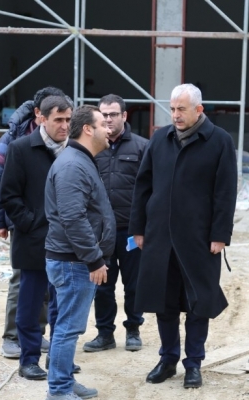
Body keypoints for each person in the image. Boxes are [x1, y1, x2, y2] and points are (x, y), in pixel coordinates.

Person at [129, 83, 237, 389]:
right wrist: (139, 229)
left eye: (181, 109)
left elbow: (226, 192)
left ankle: (193, 364)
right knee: (163, 302)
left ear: (198, 110)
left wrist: (220, 235)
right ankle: (167, 359)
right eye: (172, 109)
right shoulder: (160, 139)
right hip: (160, 237)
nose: (175, 115)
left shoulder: (219, 141)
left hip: (199, 240)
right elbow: (143, 186)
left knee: (197, 303)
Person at [0, 86, 66, 359]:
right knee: (24, 284)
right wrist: (9, 220)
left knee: (52, 289)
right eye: (57, 118)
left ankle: (40, 337)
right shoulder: (16, 139)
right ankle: (14, 338)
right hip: (28, 228)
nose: (64, 125)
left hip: (58, 232)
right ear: (39, 114)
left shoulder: (68, 145)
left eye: (67, 119)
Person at [45, 105, 116, 400]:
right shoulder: (73, 165)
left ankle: (64, 380)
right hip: (74, 262)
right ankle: (59, 389)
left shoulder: (81, 160)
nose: (109, 128)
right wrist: (94, 259)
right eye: (103, 124)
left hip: (76, 260)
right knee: (68, 328)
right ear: (87, 129)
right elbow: (73, 218)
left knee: (68, 326)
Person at [83, 94, 148, 353]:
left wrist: (144, 228)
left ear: (124, 116)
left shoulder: (142, 147)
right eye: (104, 115)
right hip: (101, 233)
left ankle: (133, 330)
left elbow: (150, 190)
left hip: (132, 232)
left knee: (134, 284)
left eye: (113, 114)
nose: (108, 119)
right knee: (102, 285)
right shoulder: (91, 147)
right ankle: (105, 334)